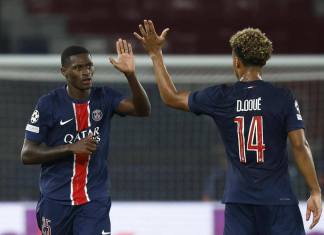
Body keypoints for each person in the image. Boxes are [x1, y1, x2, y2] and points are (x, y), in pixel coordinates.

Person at [134, 20, 322, 234]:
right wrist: (315, 191)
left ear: (236, 61)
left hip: (239, 201)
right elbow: (300, 145)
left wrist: (155, 53)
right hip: (279, 200)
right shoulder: (283, 98)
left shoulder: (222, 97)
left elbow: (171, 97)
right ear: (263, 61)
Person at [21, 39, 151, 235]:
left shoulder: (105, 97)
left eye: (89, 66)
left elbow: (142, 110)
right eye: (78, 67)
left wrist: (131, 75)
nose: (86, 72)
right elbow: (27, 154)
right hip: (56, 200)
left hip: (94, 199)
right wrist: (70, 147)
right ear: (64, 72)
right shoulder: (48, 104)